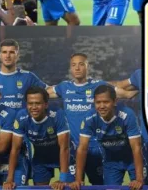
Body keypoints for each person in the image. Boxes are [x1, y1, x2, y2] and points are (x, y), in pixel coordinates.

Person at [46, 54, 110, 185]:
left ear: (87, 66)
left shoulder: (99, 86)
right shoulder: (64, 87)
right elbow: (42, 94)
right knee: (72, 185)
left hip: (95, 146)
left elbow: (119, 91)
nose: (77, 68)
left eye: (81, 64)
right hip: (72, 148)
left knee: (99, 185)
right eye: (74, 65)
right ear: (70, 68)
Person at [72, 85, 145, 190]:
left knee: (140, 187)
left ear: (115, 101)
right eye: (98, 102)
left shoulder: (127, 115)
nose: (101, 106)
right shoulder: (89, 118)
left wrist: (139, 178)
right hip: (111, 161)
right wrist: (78, 179)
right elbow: (82, 148)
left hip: (132, 160)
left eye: (106, 102)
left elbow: (136, 147)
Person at [8, 86, 71, 188]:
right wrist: (9, 179)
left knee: (67, 187)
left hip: (64, 156)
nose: (33, 107)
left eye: (38, 103)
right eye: (30, 103)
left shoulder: (57, 114)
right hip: (41, 158)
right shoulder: (21, 117)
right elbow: (15, 149)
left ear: (46, 104)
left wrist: (62, 179)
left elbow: (64, 148)